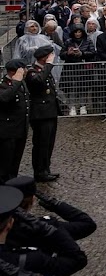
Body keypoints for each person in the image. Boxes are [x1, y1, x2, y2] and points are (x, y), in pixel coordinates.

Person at [3, 177, 96, 241]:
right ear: (32, 200)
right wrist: (55, 204)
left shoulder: (4, 227)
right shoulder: (42, 227)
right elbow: (87, 224)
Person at [25, 47, 60, 184]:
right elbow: (38, 81)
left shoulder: (43, 70)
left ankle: (46, 168)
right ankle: (39, 171)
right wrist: (49, 65)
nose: (52, 57)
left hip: (50, 112)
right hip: (40, 114)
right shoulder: (33, 72)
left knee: (49, 143)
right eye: (50, 55)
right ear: (44, 57)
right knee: (41, 143)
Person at [0, 59, 30, 184]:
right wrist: (16, 81)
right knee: (5, 162)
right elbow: (5, 98)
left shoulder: (21, 83)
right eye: (24, 69)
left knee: (16, 160)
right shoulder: (4, 84)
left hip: (20, 129)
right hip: (8, 131)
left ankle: (13, 183)